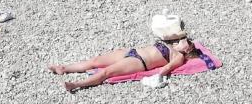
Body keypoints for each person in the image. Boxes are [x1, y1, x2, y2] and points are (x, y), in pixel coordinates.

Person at [49, 35, 202, 92]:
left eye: (187, 41)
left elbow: (167, 68)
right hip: (130, 51)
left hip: (139, 62)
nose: (183, 40)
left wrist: (157, 77)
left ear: (188, 49)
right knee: (95, 61)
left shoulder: (179, 57)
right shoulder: (172, 44)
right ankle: (64, 68)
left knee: (105, 72)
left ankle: (76, 85)